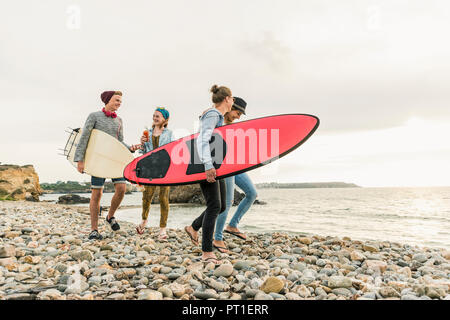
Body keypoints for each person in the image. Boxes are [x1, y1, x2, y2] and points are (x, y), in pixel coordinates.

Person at [74, 91, 140, 240]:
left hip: (115, 159)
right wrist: (80, 159)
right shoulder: (94, 116)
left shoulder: (119, 121)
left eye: (120, 101)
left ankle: (110, 216)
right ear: (107, 100)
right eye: (117, 100)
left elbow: (119, 142)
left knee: (122, 189)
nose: (119, 103)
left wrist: (130, 148)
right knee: (97, 193)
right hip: (98, 160)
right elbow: (84, 137)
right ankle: (94, 230)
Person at [184, 84, 234, 264]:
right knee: (214, 206)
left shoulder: (217, 116)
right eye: (232, 98)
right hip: (206, 164)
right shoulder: (213, 115)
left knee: (219, 206)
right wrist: (207, 165)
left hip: (211, 164)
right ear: (227, 99)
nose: (233, 101)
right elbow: (202, 140)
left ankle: (193, 227)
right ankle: (206, 251)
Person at [212, 97, 258, 253]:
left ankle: (232, 225)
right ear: (230, 107)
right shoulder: (217, 121)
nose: (238, 116)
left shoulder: (233, 126)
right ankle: (217, 238)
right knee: (227, 201)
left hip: (235, 165)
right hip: (224, 166)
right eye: (238, 113)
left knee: (252, 193)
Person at [136, 107, 175, 241]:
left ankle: (162, 229)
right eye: (154, 115)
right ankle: (144, 221)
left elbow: (173, 151)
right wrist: (142, 144)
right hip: (149, 168)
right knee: (146, 197)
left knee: (164, 198)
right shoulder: (148, 132)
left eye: (158, 116)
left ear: (165, 119)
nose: (155, 118)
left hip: (164, 169)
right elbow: (143, 153)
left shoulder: (169, 134)